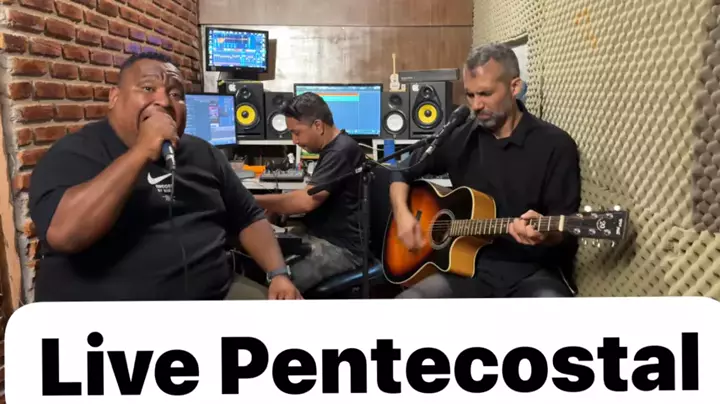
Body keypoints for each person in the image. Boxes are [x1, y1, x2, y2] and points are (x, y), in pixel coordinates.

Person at [28, 52, 301, 301]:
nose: (164, 102)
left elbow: (249, 217)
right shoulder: (75, 152)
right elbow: (65, 235)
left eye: (176, 94)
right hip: (109, 321)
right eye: (148, 88)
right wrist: (142, 151)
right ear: (115, 98)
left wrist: (278, 274)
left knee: (286, 324)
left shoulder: (204, 153)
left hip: (216, 297)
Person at [390, 43, 581, 298]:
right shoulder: (460, 137)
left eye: (485, 94)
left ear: (515, 87)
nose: (476, 105)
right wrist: (403, 215)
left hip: (532, 272)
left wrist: (545, 234)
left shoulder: (555, 145)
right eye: (470, 95)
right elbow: (401, 171)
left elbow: (566, 229)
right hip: (466, 268)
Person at [253, 92, 365, 293]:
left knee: (279, 284)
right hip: (320, 235)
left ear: (318, 126)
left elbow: (307, 201)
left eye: (297, 133)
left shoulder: (341, 151)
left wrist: (252, 200)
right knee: (261, 257)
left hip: (343, 248)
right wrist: (275, 208)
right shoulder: (333, 148)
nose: (294, 141)